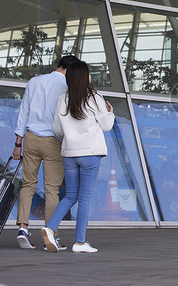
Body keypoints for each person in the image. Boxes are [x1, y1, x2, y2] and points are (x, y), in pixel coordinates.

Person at [41, 61, 115, 253]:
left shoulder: (63, 98)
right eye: (89, 73)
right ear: (84, 77)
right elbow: (106, 126)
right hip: (90, 154)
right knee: (85, 198)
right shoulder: (95, 97)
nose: (91, 76)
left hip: (69, 153)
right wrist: (110, 113)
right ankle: (80, 242)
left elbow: (57, 129)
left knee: (70, 196)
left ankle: (49, 228)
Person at [13, 55, 80, 250]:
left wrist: (18, 143)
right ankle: (51, 235)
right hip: (53, 141)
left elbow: (23, 111)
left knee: (28, 184)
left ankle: (23, 228)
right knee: (52, 189)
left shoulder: (34, 81)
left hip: (31, 138)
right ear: (70, 69)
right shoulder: (67, 88)